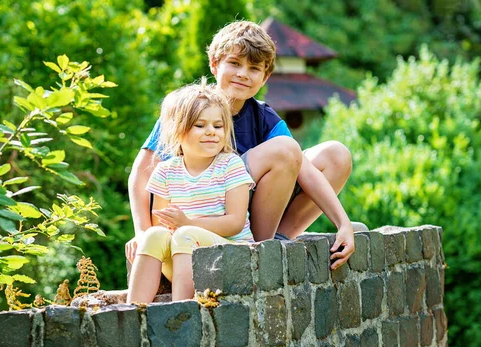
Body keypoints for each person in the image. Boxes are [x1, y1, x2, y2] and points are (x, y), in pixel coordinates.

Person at [128, 21, 355, 271]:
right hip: (197, 218)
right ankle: (257, 250)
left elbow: (304, 170)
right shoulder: (188, 108)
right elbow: (142, 171)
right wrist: (142, 233)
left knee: (336, 155)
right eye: (234, 63)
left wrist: (342, 223)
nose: (243, 74)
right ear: (214, 64)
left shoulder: (264, 118)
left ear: (265, 76)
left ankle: (273, 242)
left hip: (246, 219)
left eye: (254, 68)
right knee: (286, 150)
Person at [127, 79, 255, 303]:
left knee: (185, 234)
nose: (211, 132)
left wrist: (188, 223)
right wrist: (173, 227)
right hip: (182, 254)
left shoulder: (231, 165)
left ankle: (182, 313)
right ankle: (133, 312)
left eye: (218, 126)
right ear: (178, 131)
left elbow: (235, 222)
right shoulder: (165, 171)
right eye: (200, 125)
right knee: (153, 235)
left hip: (230, 253)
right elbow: (162, 225)